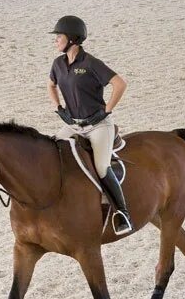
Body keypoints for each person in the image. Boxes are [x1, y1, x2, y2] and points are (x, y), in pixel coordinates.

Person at [47, 16, 133, 235]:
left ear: (73, 39)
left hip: (99, 125)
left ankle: (122, 213)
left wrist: (107, 110)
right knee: (51, 149)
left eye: (59, 37)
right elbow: (51, 85)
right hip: (74, 125)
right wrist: (59, 108)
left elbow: (119, 84)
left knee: (102, 167)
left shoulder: (90, 63)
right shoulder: (58, 64)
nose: (56, 41)